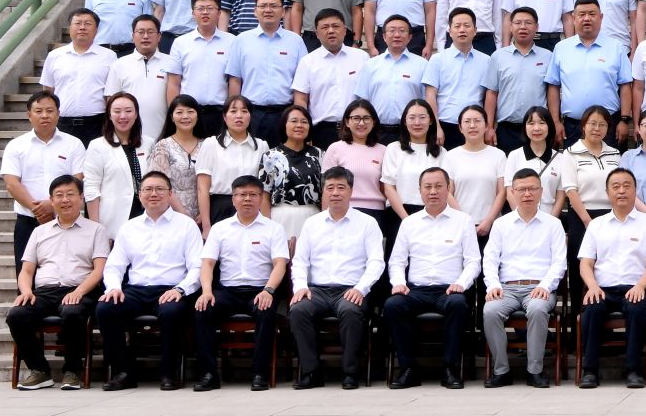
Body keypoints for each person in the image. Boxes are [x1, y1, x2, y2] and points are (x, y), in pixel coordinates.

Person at [96, 171, 202, 391]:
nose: (154, 194)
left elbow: (197, 267)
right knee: (106, 309)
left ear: (170, 194)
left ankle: (168, 374)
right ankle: (124, 372)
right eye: (148, 189)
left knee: (172, 312)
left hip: (171, 289)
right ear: (140, 195)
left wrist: (181, 289)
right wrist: (114, 287)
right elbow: (114, 266)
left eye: (160, 189)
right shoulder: (129, 227)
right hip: (135, 290)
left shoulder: (186, 225)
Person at [6, 174, 109, 391]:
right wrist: (26, 291)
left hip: (80, 290)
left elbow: (99, 270)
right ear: (51, 200)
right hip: (45, 291)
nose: (65, 200)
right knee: (17, 315)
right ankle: (39, 370)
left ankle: (72, 371)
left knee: (72, 312)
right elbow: (26, 270)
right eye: (59, 195)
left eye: (70, 194)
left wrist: (79, 291)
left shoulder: (96, 230)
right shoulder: (39, 232)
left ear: (81, 198)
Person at [288, 166, 384, 390]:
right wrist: (300, 286)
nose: (335, 193)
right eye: (330, 188)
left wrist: (361, 288)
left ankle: (350, 372)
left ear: (351, 191)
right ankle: (311, 372)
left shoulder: (367, 223)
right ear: (323, 191)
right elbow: (300, 261)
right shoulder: (312, 223)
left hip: (351, 289)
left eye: (341, 187)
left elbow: (376, 262)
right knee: (298, 310)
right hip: (317, 290)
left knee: (350, 310)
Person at [383, 166, 479, 390]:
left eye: (438, 186)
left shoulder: (463, 221)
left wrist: (461, 284)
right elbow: (397, 261)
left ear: (448, 189)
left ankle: (450, 368)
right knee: (393, 305)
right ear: (420, 190)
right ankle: (407, 368)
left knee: (458, 305)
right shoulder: (409, 223)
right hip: (416, 290)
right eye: (428, 187)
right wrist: (399, 283)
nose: (433, 191)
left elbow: (473, 261)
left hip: (449, 289)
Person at [191, 175, 286, 391]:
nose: (247, 199)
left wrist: (269, 290)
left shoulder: (274, 229)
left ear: (261, 198)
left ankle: (260, 374)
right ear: (233, 199)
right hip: (227, 291)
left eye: (253, 194)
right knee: (203, 309)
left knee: (265, 310)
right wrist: (206, 292)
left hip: (260, 290)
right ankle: (208, 374)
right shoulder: (220, 228)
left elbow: (280, 264)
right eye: (242, 194)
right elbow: (207, 264)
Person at [577, 167, 646, 389]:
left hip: (636, 286)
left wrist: (641, 286)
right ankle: (589, 371)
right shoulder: (597, 225)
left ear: (635, 190)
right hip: (602, 288)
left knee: (636, 309)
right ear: (607, 192)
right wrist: (592, 286)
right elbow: (585, 263)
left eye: (627, 186)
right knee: (592, 308)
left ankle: (633, 370)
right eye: (615, 187)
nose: (621, 191)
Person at [480, 169, 566, 388]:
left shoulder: (553, 224)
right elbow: (489, 259)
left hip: (539, 287)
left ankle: (534, 371)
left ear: (541, 191)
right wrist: (493, 285)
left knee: (537, 309)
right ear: (513, 192)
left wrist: (545, 285)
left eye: (532, 189)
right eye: (521, 189)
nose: (527, 194)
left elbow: (559, 263)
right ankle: (501, 371)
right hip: (507, 288)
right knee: (490, 311)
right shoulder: (501, 224)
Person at [0, 91, 87, 269]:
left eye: (50, 110)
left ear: (58, 113)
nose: (45, 115)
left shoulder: (74, 144)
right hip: (28, 220)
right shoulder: (16, 145)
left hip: (66, 220)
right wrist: (39, 210)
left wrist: (53, 205)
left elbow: (78, 180)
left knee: (66, 273)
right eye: (39, 111)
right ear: (29, 115)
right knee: (26, 273)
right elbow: (11, 183)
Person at [226, 0, 309, 144]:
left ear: (283, 11)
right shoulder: (241, 40)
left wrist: (299, 116)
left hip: (285, 114)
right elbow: (235, 80)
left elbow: (303, 83)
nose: (268, 10)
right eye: (263, 6)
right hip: (252, 113)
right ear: (255, 11)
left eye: (273, 6)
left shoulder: (296, 41)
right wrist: (234, 113)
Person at [547, 0, 634, 142]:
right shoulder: (561, 48)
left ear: (601, 17)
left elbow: (625, 86)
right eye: (581, 14)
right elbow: (553, 86)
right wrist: (555, 122)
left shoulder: (616, 47)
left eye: (592, 14)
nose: (587, 18)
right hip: (573, 126)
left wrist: (624, 120)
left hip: (609, 125)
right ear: (574, 18)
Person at [488, 8, 563, 151]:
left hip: (538, 129)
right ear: (511, 27)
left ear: (537, 27)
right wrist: (489, 127)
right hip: (507, 129)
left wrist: (555, 121)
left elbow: (552, 91)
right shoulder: (498, 57)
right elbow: (492, 93)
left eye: (528, 23)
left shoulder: (548, 56)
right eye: (518, 23)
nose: (523, 27)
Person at [291, 10, 365, 149]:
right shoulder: (307, 62)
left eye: (335, 26)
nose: (331, 31)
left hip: (357, 128)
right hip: (322, 130)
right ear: (317, 34)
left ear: (345, 30)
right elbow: (301, 100)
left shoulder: (361, 58)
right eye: (325, 27)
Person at [81, 93, 151, 239]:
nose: (123, 116)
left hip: (145, 216)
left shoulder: (149, 143)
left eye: (128, 111)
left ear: (136, 114)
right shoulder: (97, 146)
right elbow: (91, 188)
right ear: (109, 115)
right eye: (117, 111)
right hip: (112, 220)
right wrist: (96, 229)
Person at [164, 0, 234, 137]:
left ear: (219, 13)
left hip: (220, 113)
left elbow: (234, 81)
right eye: (200, 8)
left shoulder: (232, 42)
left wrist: (232, 111)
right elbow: (173, 83)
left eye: (210, 8)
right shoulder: (180, 43)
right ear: (193, 13)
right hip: (189, 114)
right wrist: (174, 113)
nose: (205, 12)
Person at [39, 9, 112, 146]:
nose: (82, 27)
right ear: (70, 28)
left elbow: (111, 93)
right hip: (63, 124)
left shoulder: (109, 56)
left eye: (88, 24)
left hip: (97, 124)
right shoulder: (55, 56)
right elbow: (48, 91)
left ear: (96, 30)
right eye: (78, 23)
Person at [425, 8, 495, 148]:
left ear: (475, 30)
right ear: (450, 31)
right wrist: (436, 127)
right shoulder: (437, 59)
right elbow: (430, 95)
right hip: (445, 127)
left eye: (467, 26)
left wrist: (488, 127)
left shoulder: (486, 61)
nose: (462, 30)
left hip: (475, 128)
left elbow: (489, 96)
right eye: (457, 26)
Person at [322, 99, 391, 241]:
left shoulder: (384, 150)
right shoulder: (335, 148)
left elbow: (386, 188)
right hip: (343, 211)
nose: (361, 123)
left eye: (366, 118)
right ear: (347, 122)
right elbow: (327, 188)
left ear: (374, 122)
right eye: (356, 118)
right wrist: (325, 217)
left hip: (376, 213)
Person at [353, 14, 425, 144]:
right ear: (384, 36)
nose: (397, 35)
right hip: (376, 132)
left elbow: (427, 100)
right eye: (392, 31)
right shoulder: (371, 65)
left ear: (410, 37)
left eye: (402, 31)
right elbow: (362, 100)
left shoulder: (422, 65)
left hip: (409, 132)